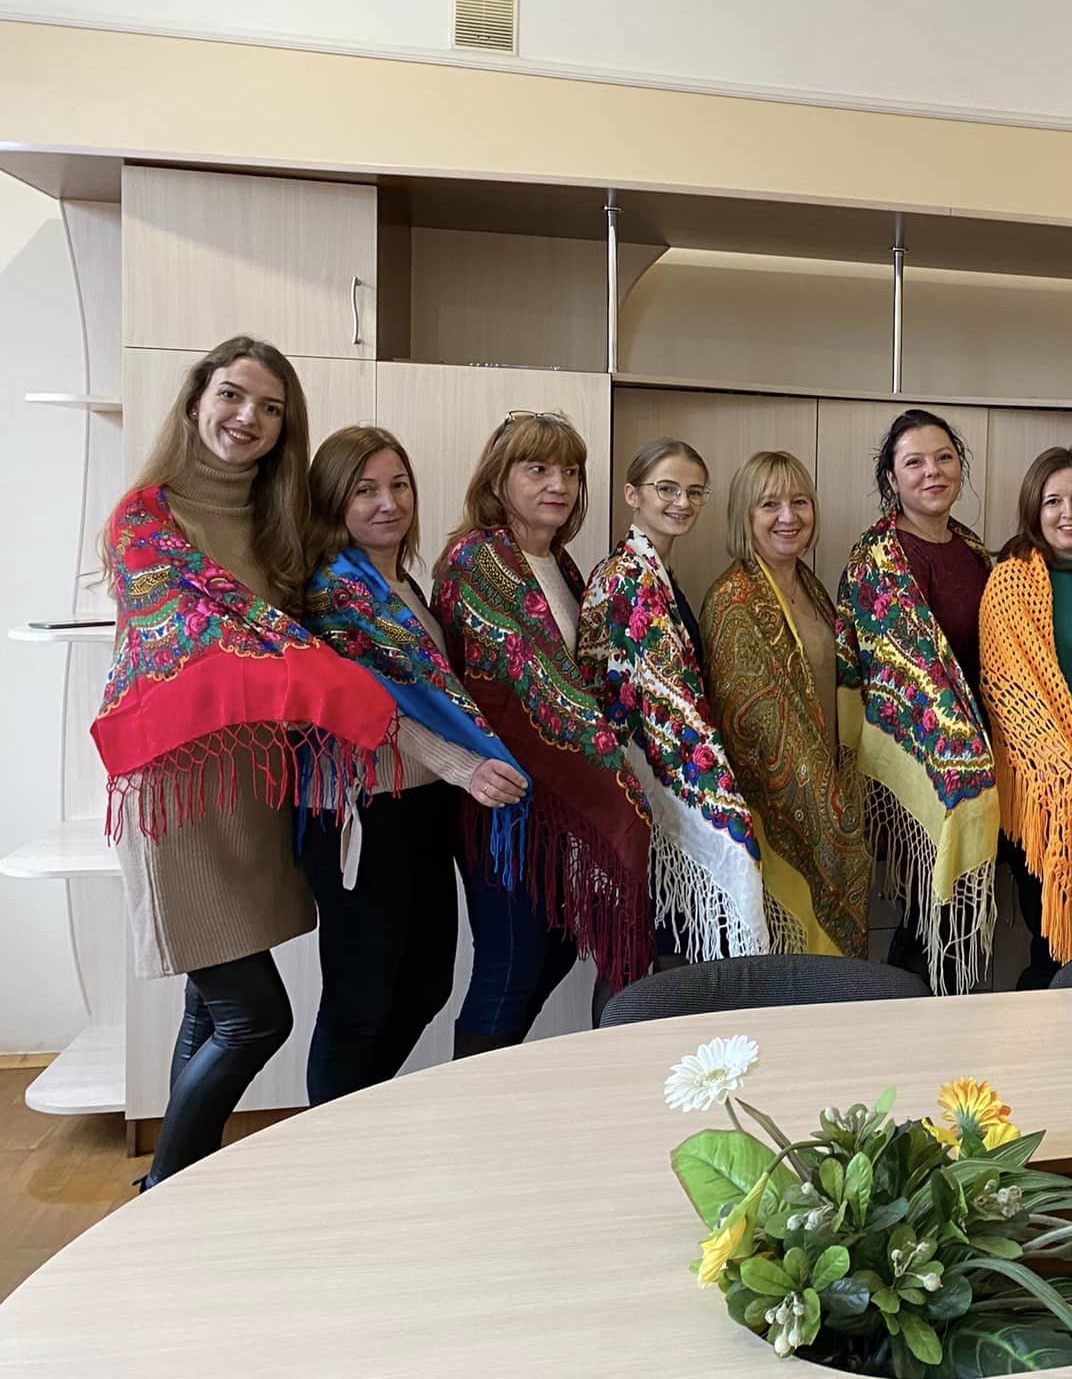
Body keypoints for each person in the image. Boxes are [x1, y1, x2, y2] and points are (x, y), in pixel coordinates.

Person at [93, 337, 395, 1184]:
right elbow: (213, 643)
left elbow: (313, 626)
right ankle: (168, 1188)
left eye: (270, 408)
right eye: (232, 395)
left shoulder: (277, 527)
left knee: (211, 1004)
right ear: (197, 400)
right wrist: (332, 685)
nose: (248, 418)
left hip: (254, 788)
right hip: (177, 792)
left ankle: (173, 1182)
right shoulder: (144, 519)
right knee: (254, 1016)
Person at [298, 426, 529, 1103]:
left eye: (399, 485)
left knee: (425, 985)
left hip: (421, 807)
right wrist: (464, 766)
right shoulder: (335, 592)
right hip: (360, 814)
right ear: (333, 501)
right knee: (358, 1003)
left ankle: (358, 1115)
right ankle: (334, 1137)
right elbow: (370, 709)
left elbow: (433, 694)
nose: (388, 503)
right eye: (365, 490)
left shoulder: (402, 584)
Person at [433, 411, 652, 1051]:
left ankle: (500, 1081)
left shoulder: (558, 563)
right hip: (500, 800)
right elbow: (532, 687)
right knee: (510, 965)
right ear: (498, 479)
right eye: (538, 469)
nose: (559, 484)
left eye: (571, 472)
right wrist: (616, 786)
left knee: (551, 951)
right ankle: (475, 1096)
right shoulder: (477, 560)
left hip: (546, 802)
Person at [579, 438, 779, 968]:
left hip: (646, 798)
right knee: (645, 957)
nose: (682, 502)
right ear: (632, 494)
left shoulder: (659, 575)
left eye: (694, 492)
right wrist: (719, 802)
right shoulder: (626, 578)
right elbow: (659, 699)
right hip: (640, 795)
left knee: (660, 950)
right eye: (666, 489)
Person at [836, 409, 999, 993]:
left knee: (950, 917)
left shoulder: (974, 550)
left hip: (983, 763)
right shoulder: (878, 558)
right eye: (914, 463)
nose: (933, 472)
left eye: (944, 458)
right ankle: (908, 1024)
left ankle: (948, 1024)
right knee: (926, 916)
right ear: (892, 478)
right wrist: (959, 756)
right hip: (912, 769)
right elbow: (891, 674)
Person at [702, 452, 872, 958]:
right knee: (785, 967)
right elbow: (758, 728)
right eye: (769, 504)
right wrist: (830, 813)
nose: (788, 517)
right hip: (775, 816)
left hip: (831, 791)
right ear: (744, 515)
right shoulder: (732, 600)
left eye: (800, 502)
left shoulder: (811, 587)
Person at [978, 445, 1072, 983]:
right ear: (1034, 509)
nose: (1068, 513)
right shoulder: (1011, 582)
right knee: (1057, 944)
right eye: (1053, 501)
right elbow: (1008, 695)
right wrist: (1064, 772)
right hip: (1044, 789)